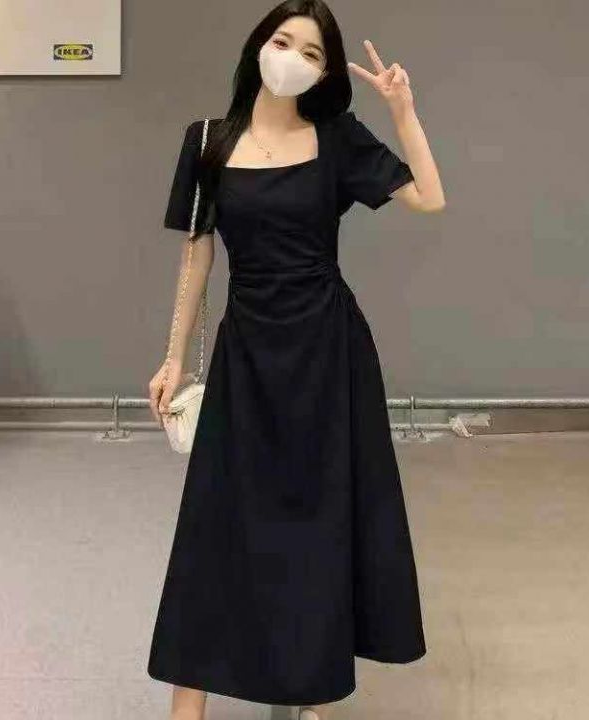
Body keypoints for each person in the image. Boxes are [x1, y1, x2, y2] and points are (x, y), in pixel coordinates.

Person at [147, 2, 446, 719]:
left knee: (319, 517)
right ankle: (189, 701)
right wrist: (172, 358)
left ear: (323, 71)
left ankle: (315, 693)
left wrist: (403, 110)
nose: (293, 59)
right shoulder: (208, 140)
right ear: (259, 45)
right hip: (247, 352)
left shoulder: (337, 137)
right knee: (217, 518)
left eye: (312, 53)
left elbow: (429, 198)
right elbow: (197, 254)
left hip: (327, 350)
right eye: (284, 41)